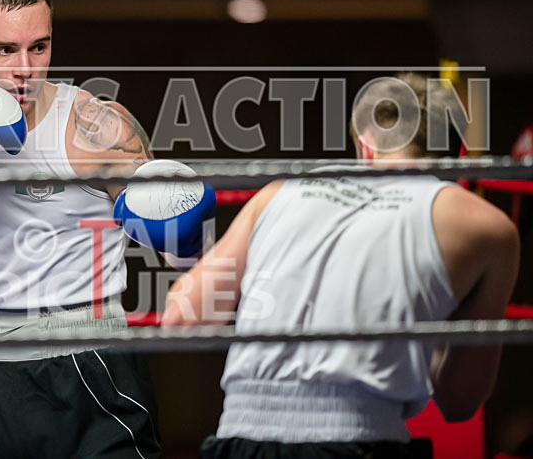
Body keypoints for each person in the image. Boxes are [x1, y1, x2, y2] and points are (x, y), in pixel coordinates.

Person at [0, 0, 214, 458]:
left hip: (91, 358)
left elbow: (189, 260)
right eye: (4, 50)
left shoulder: (97, 128)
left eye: (39, 47)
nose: (25, 68)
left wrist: (184, 235)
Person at [162, 73, 520, 458]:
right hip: (363, 439)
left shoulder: (278, 193)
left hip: (240, 438)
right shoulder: (486, 226)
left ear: (365, 146)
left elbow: (183, 319)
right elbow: (459, 402)